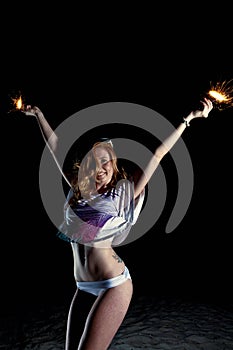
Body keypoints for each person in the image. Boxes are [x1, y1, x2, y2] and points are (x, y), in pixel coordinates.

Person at [23, 98, 213, 350]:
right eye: (95, 161)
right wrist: (39, 114)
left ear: (114, 167)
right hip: (83, 286)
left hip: (113, 285)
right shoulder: (78, 189)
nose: (100, 168)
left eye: (106, 162)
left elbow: (158, 153)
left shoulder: (122, 194)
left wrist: (187, 120)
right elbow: (55, 147)